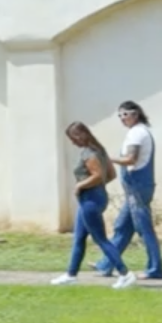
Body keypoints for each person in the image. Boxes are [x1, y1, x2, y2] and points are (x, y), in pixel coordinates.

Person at [52, 121, 127, 285]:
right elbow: (111, 174)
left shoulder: (89, 153)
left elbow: (98, 175)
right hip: (95, 197)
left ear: (82, 135)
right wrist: (97, 187)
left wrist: (81, 185)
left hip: (90, 200)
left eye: (74, 138)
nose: (73, 142)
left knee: (101, 239)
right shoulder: (100, 150)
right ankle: (71, 275)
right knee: (79, 238)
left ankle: (125, 274)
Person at [109, 100, 162, 286]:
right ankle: (106, 263)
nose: (123, 118)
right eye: (120, 115)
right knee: (122, 225)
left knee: (143, 227)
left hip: (137, 186)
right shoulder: (136, 132)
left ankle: (155, 269)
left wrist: (107, 159)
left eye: (126, 114)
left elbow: (131, 159)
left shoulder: (137, 133)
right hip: (135, 187)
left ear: (136, 114)